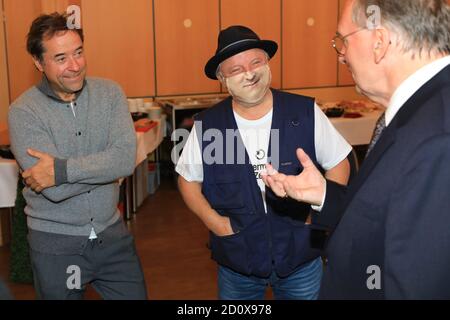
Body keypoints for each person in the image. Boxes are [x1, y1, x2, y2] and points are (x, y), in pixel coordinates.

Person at [262, 0, 450, 299]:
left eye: (342, 41)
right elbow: (387, 216)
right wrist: (323, 194)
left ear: (379, 42)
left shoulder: (438, 135)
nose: (341, 56)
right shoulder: (421, 110)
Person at [176, 25, 352, 300]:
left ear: (268, 64)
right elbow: (188, 181)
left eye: (256, 62)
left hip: (302, 257)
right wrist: (217, 224)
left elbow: (340, 162)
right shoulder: (210, 126)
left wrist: (318, 216)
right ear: (222, 78)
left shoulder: (303, 111)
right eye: (236, 69)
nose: (249, 73)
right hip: (237, 263)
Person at [8, 13, 147, 300]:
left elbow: (124, 160)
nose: (75, 66)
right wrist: (103, 168)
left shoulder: (110, 94)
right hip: (56, 249)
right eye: (61, 58)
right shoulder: (23, 111)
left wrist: (59, 170)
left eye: (79, 52)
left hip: (113, 239)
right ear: (39, 63)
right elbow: (56, 193)